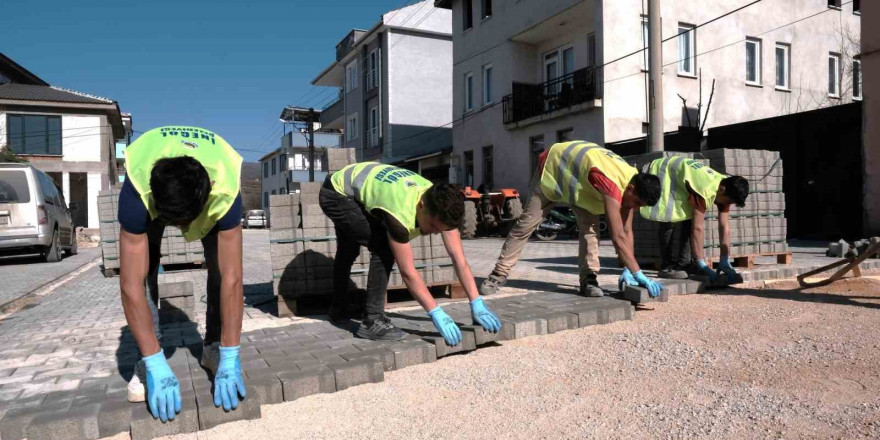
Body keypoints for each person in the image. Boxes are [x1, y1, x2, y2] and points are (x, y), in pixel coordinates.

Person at [118, 126, 246, 422]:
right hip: (152, 187)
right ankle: (147, 360)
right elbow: (130, 284)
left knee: (219, 266)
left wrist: (231, 352)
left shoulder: (226, 188)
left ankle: (214, 347)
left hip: (210, 184)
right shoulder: (137, 190)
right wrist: (154, 361)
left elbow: (233, 278)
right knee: (145, 269)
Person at [319, 162, 502, 345]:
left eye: (440, 230)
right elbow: (408, 272)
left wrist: (476, 302)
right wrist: (435, 312)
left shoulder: (441, 203)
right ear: (421, 205)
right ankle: (372, 321)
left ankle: (338, 307)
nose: (435, 232)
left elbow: (459, 260)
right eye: (432, 226)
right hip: (337, 194)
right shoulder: (399, 214)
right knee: (383, 248)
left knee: (348, 250)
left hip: (355, 187)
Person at [479, 141, 664, 298]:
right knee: (525, 226)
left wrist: (627, 268)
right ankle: (498, 274)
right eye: (638, 203)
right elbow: (617, 237)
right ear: (631, 188)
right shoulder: (612, 183)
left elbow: (627, 231)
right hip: (553, 171)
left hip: (581, 186)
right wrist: (637, 272)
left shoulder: (630, 183)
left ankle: (589, 280)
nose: (636, 208)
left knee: (590, 231)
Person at [640, 156, 749, 282]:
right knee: (668, 217)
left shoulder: (726, 187)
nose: (728, 204)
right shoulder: (704, 189)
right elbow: (697, 228)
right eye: (729, 201)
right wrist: (701, 262)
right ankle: (667, 266)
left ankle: (684, 264)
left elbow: (724, 226)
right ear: (722, 189)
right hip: (663, 172)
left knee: (689, 217)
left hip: (680, 176)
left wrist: (724, 258)